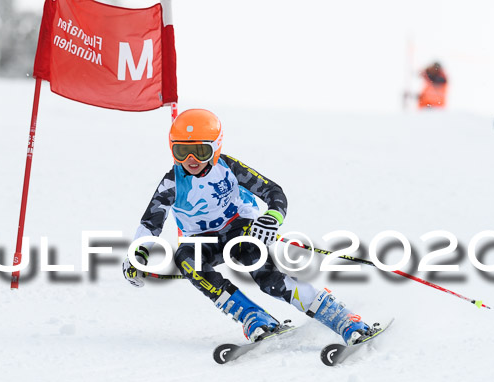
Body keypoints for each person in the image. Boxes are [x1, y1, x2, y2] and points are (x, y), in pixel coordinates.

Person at [121, 108, 374, 345]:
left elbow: (273, 191)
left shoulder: (228, 168)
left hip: (239, 229)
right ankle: (252, 316)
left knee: (269, 280)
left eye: (200, 151)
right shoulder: (171, 183)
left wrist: (271, 218)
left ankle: (341, 318)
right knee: (186, 259)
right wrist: (137, 256)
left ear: (216, 148)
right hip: (202, 240)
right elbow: (151, 222)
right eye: (181, 152)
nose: (191, 160)